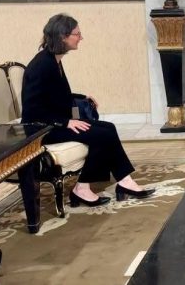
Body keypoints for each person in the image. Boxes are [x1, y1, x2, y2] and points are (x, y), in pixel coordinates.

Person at [21, 14, 155, 207]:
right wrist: (66, 122)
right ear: (63, 37)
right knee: (100, 135)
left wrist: (83, 97)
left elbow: (54, 94)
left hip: (54, 123)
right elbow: (33, 110)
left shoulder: (53, 60)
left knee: (108, 128)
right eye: (77, 34)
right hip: (41, 129)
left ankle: (124, 181)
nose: (81, 38)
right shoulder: (42, 65)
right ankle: (82, 188)